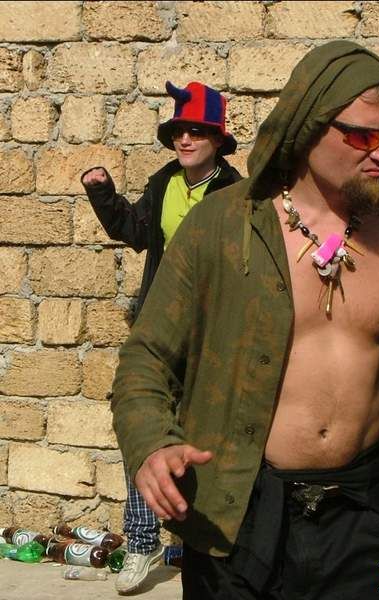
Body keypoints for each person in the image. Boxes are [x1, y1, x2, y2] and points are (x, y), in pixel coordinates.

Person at [110, 41, 379, 600]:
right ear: (307, 127)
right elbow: (146, 360)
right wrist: (152, 443)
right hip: (240, 515)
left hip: (373, 519)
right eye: (364, 136)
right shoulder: (221, 227)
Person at [81, 81, 242, 594]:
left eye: (197, 131)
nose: (185, 140)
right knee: (141, 422)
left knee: (209, 433)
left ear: (218, 139)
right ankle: (142, 540)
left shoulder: (236, 194)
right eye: (178, 131)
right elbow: (133, 230)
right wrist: (102, 192)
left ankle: (211, 542)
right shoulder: (164, 183)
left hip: (214, 333)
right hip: (162, 327)